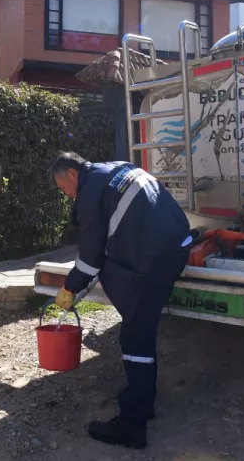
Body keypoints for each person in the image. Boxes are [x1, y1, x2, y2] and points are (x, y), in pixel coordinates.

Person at [50, 151, 191, 449]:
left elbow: (89, 260)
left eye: (64, 188)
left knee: (134, 338)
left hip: (155, 260)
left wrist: (69, 289)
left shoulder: (89, 194)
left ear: (73, 175)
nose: (67, 195)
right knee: (139, 329)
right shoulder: (117, 168)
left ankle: (131, 427)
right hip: (178, 244)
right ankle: (143, 402)